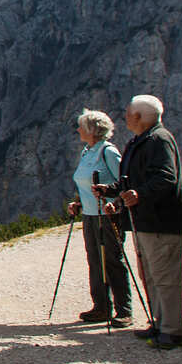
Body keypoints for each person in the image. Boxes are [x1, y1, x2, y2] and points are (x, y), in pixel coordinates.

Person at [106, 93, 182, 350]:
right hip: (145, 221)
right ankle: (160, 323)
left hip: (162, 222)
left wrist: (139, 194)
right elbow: (130, 180)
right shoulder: (140, 141)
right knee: (152, 276)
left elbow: (166, 177)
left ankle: (174, 331)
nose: (125, 117)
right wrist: (111, 191)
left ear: (141, 117)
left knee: (165, 276)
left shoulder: (159, 140)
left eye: (129, 113)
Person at [66, 109, 130, 324]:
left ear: (92, 130)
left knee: (112, 260)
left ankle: (124, 311)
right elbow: (86, 184)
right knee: (94, 260)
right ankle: (101, 306)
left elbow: (124, 183)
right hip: (91, 215)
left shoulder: (108, 152)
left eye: (81, 127)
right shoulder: (87, 151)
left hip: (108, 215)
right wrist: (79, 204)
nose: (78, 130)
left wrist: (114, 203)